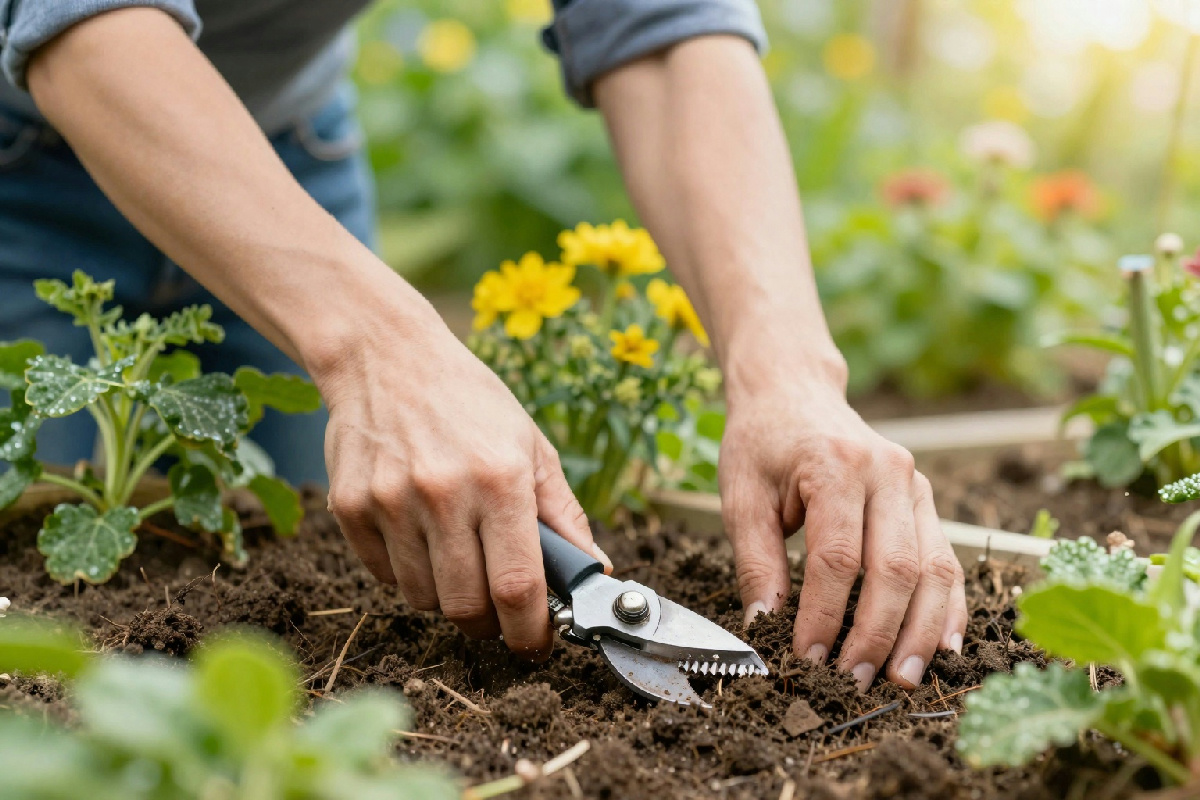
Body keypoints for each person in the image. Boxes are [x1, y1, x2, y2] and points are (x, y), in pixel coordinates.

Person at [0, 0, 966, 693]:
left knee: (309, 538)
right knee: (49, 612)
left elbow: (665, 32)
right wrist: (382, 347)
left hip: (282, 152)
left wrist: (790, 373)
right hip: (24, 168)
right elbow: (84, 22)